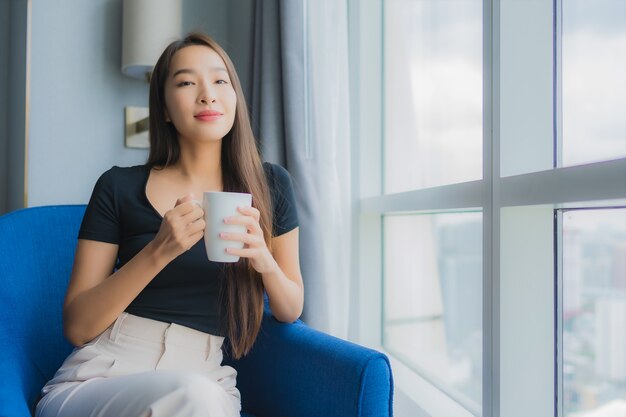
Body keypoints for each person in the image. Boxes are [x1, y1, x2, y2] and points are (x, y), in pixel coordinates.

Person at [35, 32, 303, 417]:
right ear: (163, 107)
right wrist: (160, 250)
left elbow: (291, 308)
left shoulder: (271, 185)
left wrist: (265, 261)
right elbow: (77, 327)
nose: (207, 94)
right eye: (186, 82)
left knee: (196, 396)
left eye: (219, 80)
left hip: (205, 377)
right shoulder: (118, 186)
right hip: (103, 377)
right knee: (192, 398)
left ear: (235, 97)